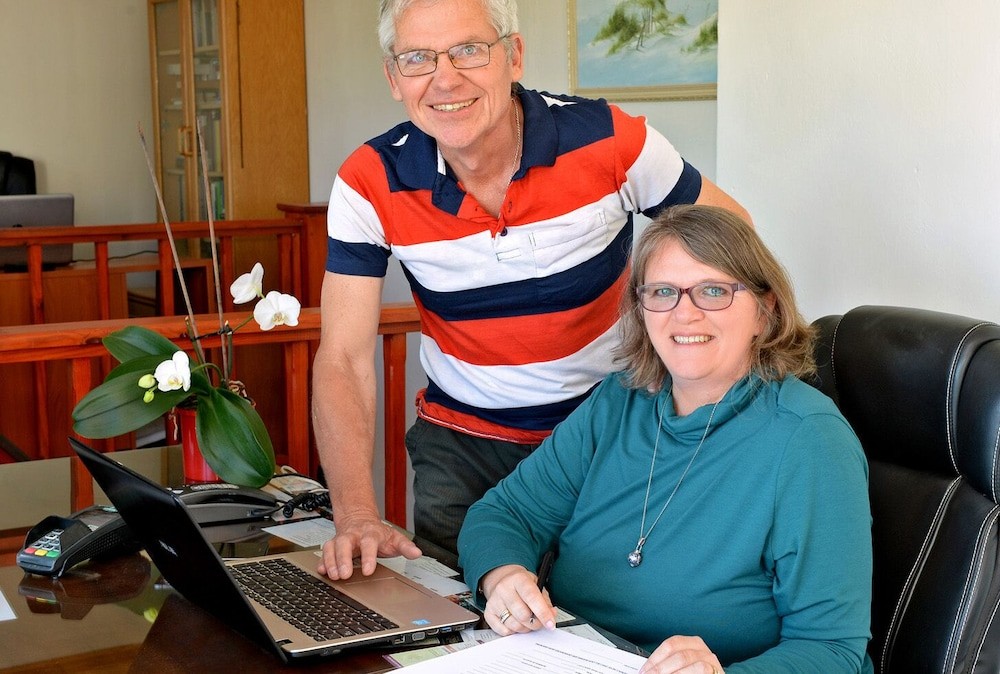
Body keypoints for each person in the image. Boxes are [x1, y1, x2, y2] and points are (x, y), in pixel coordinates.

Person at [314, 0, 751, 580]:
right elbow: (344, 358)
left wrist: (669, 316)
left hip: (608, 438)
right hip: (463, 450)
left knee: (603, 617)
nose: (445, 79)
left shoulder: (610, 139)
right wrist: (357, 515)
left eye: (468, 50)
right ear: (395, 78)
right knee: (455, 620)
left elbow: (734, 245)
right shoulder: (368, 180)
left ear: (513, 56)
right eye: (418, 59)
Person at [457, 205, 874, 673]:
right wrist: (503, 576)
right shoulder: (618, 401)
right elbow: (505, 513)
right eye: (663, 292)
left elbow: (833, 649)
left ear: (765, 310)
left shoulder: (810, 440)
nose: (685, 314)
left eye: (713, 291)